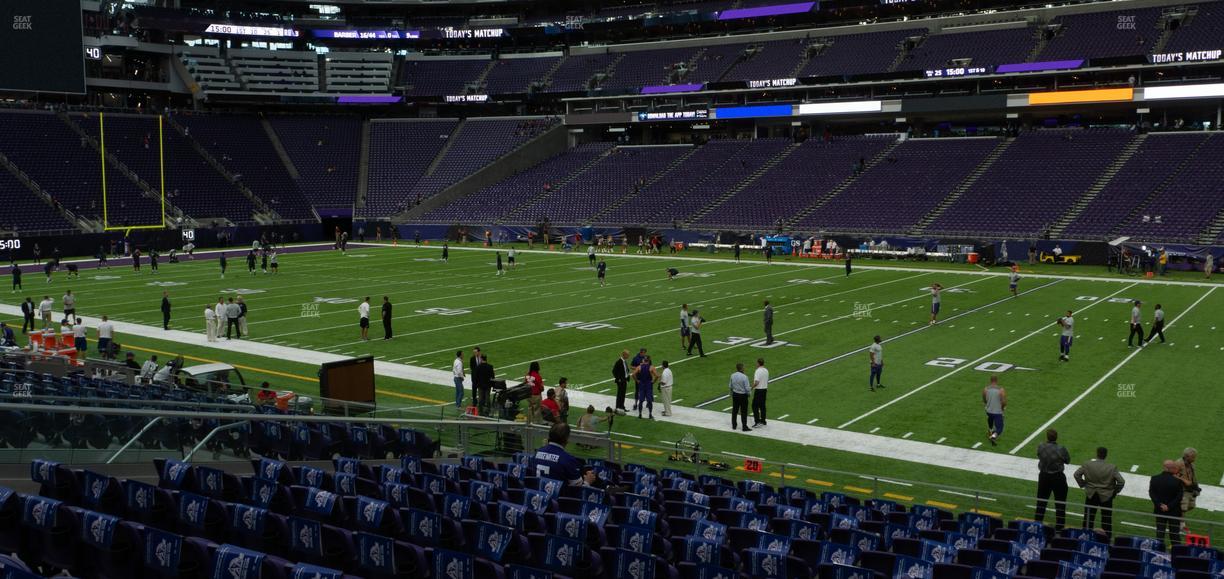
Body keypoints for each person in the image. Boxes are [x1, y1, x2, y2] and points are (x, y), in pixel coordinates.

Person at [1074, 447, 1124, 540]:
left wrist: (1083, 484)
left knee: (1088, 518)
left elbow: (1076, 474)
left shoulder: (1087, 464)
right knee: (1106, 519)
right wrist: (1114, 492)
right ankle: (1106, 539)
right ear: (1106, 455)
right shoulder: (1111, 467)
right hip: (1106, 496)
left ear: (1097, 454)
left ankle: (1085, 537)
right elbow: (1121, 481)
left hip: (1091, 494)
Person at [1035, 429, 1071, 531]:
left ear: (1047, 437)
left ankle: (1037, 524)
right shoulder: (1061, 449)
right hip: (1057, 477)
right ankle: (1060, 526)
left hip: (1044, 476)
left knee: (1041, 502)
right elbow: (1068, 460)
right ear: (1056, 437)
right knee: (1060, 503)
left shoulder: (1041, 446)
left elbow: (1039, 455)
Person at [1149, 460, 1184, 546]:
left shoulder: (1154, 478)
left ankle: (1158, 550)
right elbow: (1179, 497)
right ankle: (1177, 551)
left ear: (1164, 467)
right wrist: (1169, 506)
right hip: (1174, 511)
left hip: (1160, 510)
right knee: (1174, 534)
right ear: (1171, 468)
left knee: (1160, 533)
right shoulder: (1177, 481)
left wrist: (1160, 505)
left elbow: (1152, 494)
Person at [1176, 447, 1200, 518]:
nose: (1194, 459)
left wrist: (1196, 486)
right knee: (1183, 507)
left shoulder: (1192, 465)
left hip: (1191, 488)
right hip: (1182, 489)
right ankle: (1181, 522)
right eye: (1193, 457)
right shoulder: (1178, 464)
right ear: (1187, 456)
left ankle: (1175, 513)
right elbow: (1173, 475)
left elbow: (1193, 476)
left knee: (1191, 506)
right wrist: (1184, 481)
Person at [983, 375, 1006, 445]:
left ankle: (990, 430)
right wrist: (1002, 408)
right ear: (997, 381)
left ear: (990, 380)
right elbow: (1003, 402)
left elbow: (984, 399)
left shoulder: (985, 389)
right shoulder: (1001, 390)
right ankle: (993, 436)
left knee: (990, 418)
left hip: (988, 411)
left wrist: (988, 405)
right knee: (1000, 428)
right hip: (997, 412)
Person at [729, 363, 751, 432]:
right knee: (743, 411)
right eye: (743, 367)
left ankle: (734, 425)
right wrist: (749, 394)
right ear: (742, 368)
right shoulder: (745, 377)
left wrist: (731, 393)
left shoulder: (732, 375)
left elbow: (730, 386)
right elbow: (747, 388)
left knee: (734, 410)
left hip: (735, 394)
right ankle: (744, 426)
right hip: (743, 396)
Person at [634, 355, 655, 420]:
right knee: (649, 401)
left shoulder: (639, 367)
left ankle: (640, 414)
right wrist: (653, 381)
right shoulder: (651, 367)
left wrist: (637, 381)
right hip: (648, 385)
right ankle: (650, 414)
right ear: (648, 360)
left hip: (642, 385)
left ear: (643, 360)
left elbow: (633, 374)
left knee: (641, 401)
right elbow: (657, 375)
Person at [611, 350, 630, 416]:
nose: (628, 356)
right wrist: (618, 379)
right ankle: (618, 408)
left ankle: (622, 407)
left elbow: (625, 370)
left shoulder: (624, 361)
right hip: (621, 381)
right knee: (620, 394)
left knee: (623, 394)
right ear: (624, 355)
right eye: (627, 355)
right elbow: (614, 371)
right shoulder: (619, 362)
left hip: (624, 380)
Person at [752, 358, 769, 428]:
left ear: (758, 363)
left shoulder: (758, 371)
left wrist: (751, 387)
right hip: (764, 390)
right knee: (762, 406)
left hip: (759, 390)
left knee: (754, 406)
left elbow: (756, 382)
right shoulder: (766, 370)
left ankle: (757, 421)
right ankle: (763, 421)